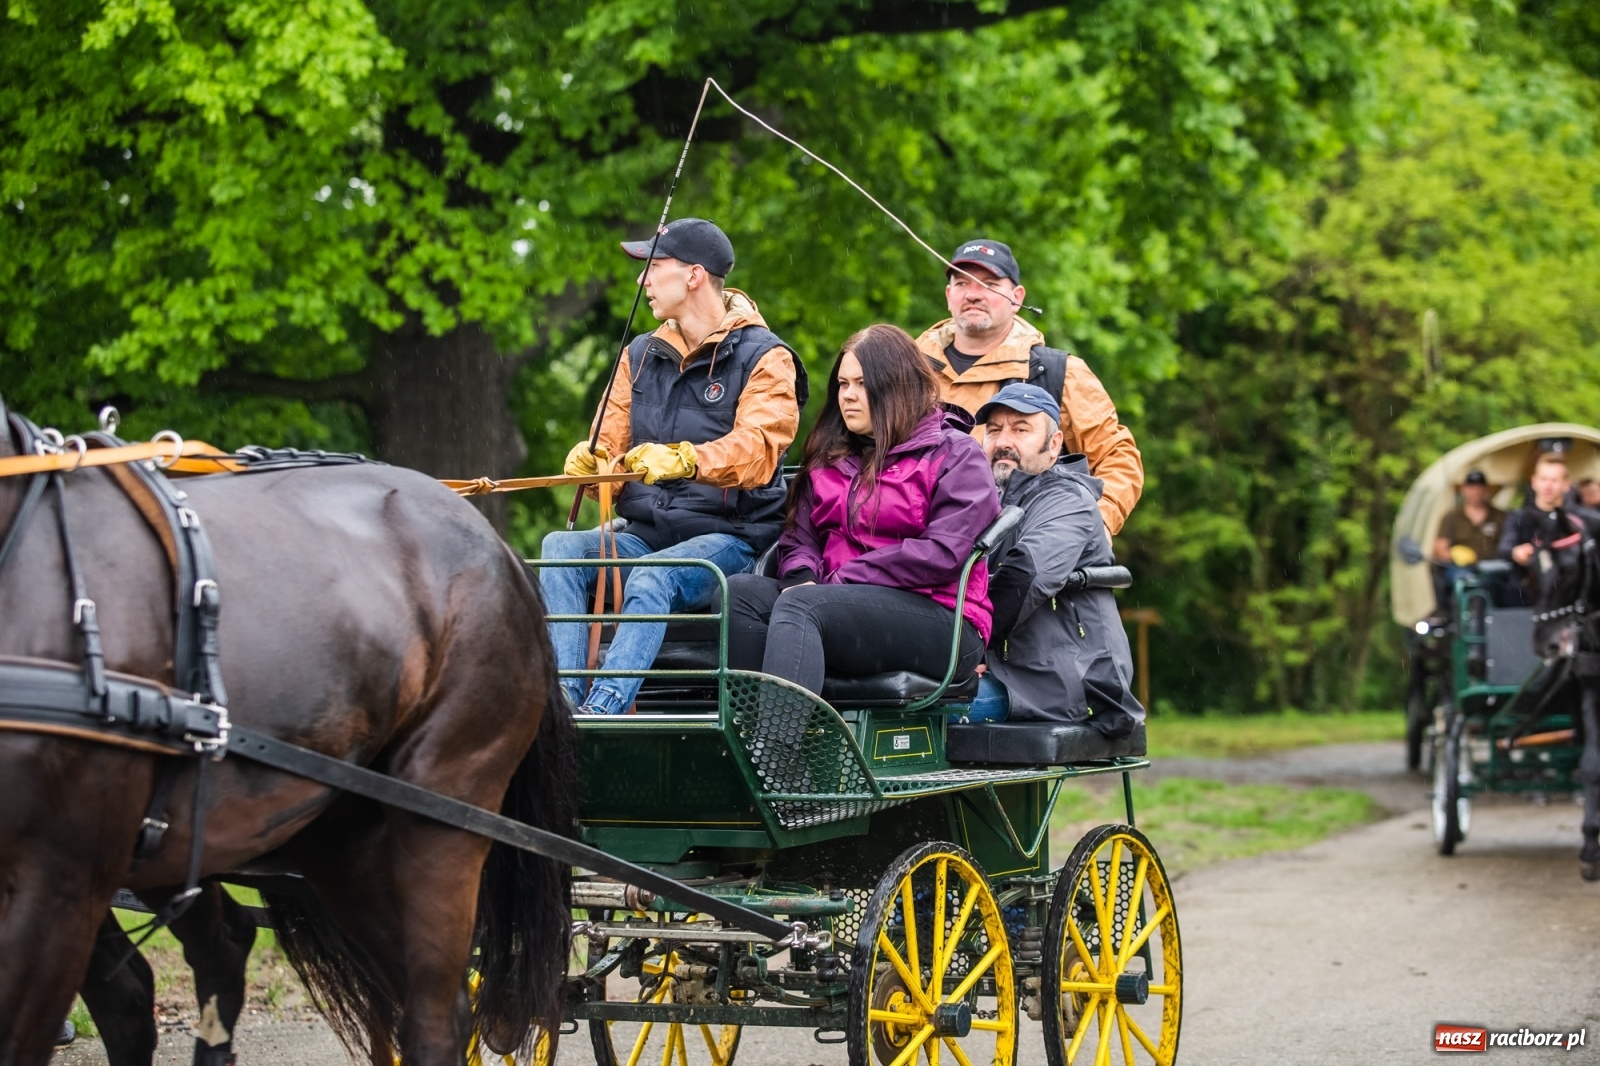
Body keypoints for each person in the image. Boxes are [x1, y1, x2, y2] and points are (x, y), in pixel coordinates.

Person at [541, 218, 805, 715]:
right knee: (560, 549)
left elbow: (759, 450)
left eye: (654, 267)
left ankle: (605, 710)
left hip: (730, 537)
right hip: (647, 531)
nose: (642, 281)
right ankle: (563, 706)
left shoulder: (767, 358)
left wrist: (686, 460)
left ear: (694, 276)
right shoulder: (639, 354)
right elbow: (609, 443)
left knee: (651, 576)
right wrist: (593, 460)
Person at [725, 323, 999, 697]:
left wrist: (841, 580)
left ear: (896, 385)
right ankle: (751, 733)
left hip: (941, 617)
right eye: (842, 384)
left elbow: (943, 553)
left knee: (804, 607)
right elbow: (799, 538)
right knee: (739, 595)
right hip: (833, 601)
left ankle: (778, 752)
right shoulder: (830, 454)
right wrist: (802, 576)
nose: (848, 396)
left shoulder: (956, 454)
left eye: (861, 384)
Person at [913, 239, 1143, 538]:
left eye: (989, 284)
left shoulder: (1059, 372)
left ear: (1017, 297)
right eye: (961, 283)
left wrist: (1091, 525)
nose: (973, 294)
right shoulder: (904, 372)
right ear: (948, 295)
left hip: (1017, 558)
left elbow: (1117, 456)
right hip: (910, 551)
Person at [959, 383, 1144, 736]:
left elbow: (1024, 578)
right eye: (994, 430)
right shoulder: (983, 502)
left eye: (1021, 429)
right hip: (1006, 674)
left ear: (1054, 444)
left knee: (911, 717)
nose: (1003, 441)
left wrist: (964, 653)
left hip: (1069, 686)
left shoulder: (1067, 500)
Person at [1499, 452, 1586, 594]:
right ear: (1534, 482)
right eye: (1544, 479)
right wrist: (1517, 551)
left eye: (1554, 480)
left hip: (1571, 591)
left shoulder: (1579, 519)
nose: (1548, 486)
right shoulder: (1519, 517)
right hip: (1528, 590)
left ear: (1566, 484)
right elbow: (1505, 546)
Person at [1434, 470, 1506, 568]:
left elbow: (1510, 543)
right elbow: (1440, 548)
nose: (1476, 491)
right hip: (1461, 569)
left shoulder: (1501, 516)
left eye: (1480, 486)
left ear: (1486, 489)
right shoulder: (1452, 517)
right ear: (1463, 489)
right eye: (1472, 487)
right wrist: (1454, 556)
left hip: (1493, 567)